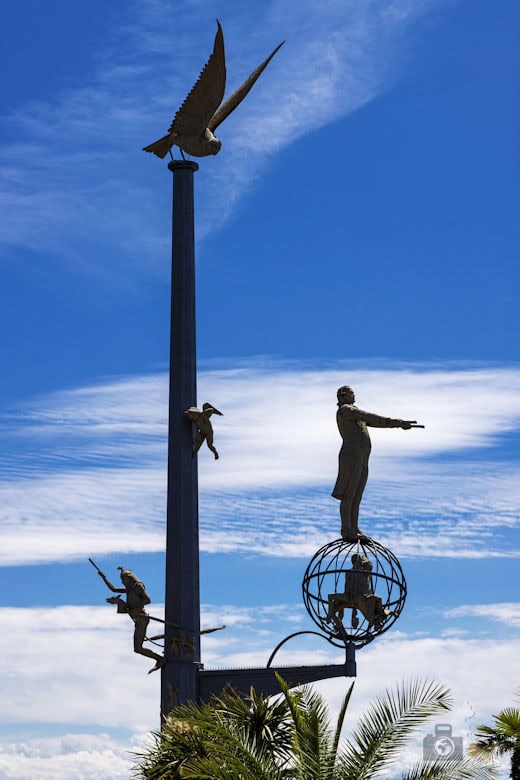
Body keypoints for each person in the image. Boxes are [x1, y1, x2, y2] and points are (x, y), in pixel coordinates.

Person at [332, 386, 420, 540]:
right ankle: (346, 529)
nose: (354, 396)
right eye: (351, 393)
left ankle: (354, 527)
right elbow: (371, 417)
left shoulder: (355, 414)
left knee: (357, 496)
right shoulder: (346, 410)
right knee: (349, 494)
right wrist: (397, 422)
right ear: (343, 396)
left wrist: (398, 425)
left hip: (362, 456)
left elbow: (377, 422)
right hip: (351, 456)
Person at [98, 566, 165, 674]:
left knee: (138, 648)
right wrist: (103, 577)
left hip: (142, 619)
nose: (122, 582)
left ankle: (160, 659)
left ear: (129, 578)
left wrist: (133, 608)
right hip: (137, 620)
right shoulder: (129, 589)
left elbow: (147, 600)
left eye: (123, 580)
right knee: (137, 648)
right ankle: (159, 659)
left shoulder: (137, 586)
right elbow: (114, 589)